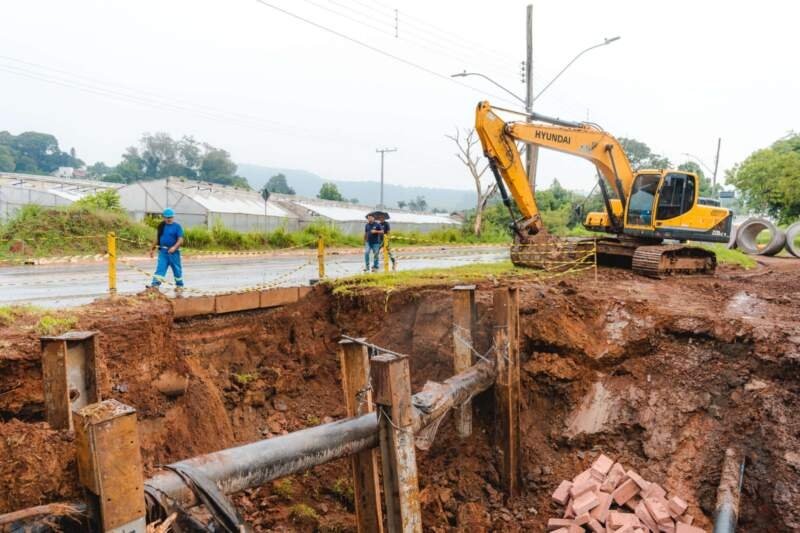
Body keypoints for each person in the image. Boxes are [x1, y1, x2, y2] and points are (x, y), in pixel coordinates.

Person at [150, 207, 185, 289]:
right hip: (163, 252)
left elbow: (180, 240)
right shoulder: (161, 226)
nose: (168, 219)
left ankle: (179, 285)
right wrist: (152, 249)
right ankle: (155, 285)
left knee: (177, 270)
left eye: (170, 217)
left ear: (173, 217)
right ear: (163, 217)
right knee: (160, 268)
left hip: (174, 253)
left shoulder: (177, 227)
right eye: (166, 217)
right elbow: (157, 238)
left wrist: (174, 248)